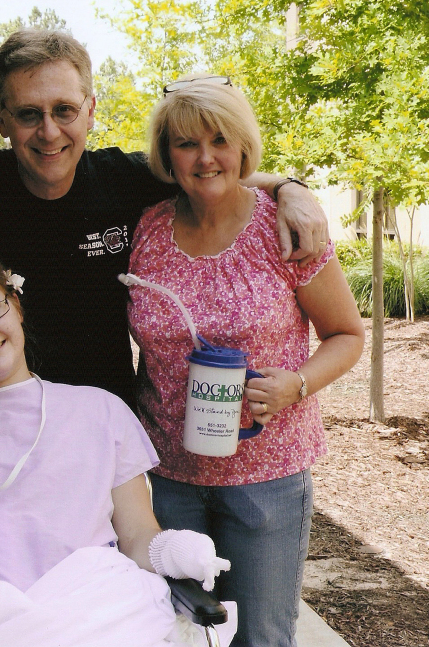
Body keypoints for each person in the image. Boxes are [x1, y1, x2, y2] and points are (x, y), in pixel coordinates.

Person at [0, 29, 329, 410]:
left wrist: (289, 186)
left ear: (90, 111)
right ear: (1, 119)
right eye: (29, 114)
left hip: (105, 425)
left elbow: (213, 171)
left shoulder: (124, 180)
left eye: (64, 110)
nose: (49, 132)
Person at [0, 253, 238, 647]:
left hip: (109, 614)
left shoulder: (100, 410)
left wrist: (169, 550)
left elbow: (137, 532)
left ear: (16, 305)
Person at [125, 76, 365, 646]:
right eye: (186, 143)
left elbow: (347, 335)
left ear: (242, 146)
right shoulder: (148, 228)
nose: (205, 157)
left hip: (267, 481)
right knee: (171, 633)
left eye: (220, 139)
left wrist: (298, 384)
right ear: (166, 154)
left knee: (259, 638)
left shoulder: (284, 229)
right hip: (165, 478)